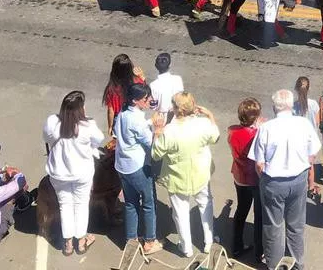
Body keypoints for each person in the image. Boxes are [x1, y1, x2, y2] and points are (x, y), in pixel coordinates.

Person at [250, 89, 321, 270]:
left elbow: (259, 164)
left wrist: (264, 180)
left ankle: (274, 265)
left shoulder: (266, 128)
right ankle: (298, 264)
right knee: (296, 226)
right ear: (291, 105)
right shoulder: (303, 124)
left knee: (273, 227)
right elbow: (313, 152)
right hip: (298, 179)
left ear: (274, 107)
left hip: (273, 182)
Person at [152, 92, 219, 258]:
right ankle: (209, 242)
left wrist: (158, 132)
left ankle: (186, 247)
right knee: (205, 204)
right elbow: (215, 137)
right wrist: (210, 116)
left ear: (175, 109)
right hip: (201, 173)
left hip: (177, 178)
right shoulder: (203, 124)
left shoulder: (169, 131)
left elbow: (155, 154)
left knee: (180, 212)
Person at [43, 91, 105, 256]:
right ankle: (82, 242)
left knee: (65, 206)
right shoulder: (87, 126)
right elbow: (99, 140)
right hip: (82, 174)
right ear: (80, 109)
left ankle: (68, 244)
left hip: (58, 174)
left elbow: (46, 138)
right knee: (81, 205)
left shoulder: (52, 122)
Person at [113, 83, 162, 255]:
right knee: (149, 204)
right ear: (135, 101)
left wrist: (148, 122)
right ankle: (149, 241)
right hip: (138, 167)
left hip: (122, 165)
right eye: (145, 99)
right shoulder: (137, 120)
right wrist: (157, 129)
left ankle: (131, 239)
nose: (148, 100)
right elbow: (153, 144)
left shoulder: (122, 114)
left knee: (131, 203)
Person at [228, 98, 263, 259]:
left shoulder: (232, 131)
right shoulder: (257, 134)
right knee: (259, 214)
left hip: (240, 176)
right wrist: (260, 127)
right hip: (255, 179)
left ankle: (236, 246)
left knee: (241, 210)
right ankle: (259, 250)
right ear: (255, 118)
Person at [0, 164, 28, 253]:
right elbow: (21, 182)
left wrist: (3, 170)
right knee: (17, 193)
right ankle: (20, 202)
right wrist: (15, 172)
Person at [102, 54, 144, 136]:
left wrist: (110, 126)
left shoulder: (112, 88)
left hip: (118, 119)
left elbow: (111, 111)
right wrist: (142, 77)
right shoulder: (137, 81)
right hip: (133, 115)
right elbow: (143, 94)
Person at [149, 52, 184, 121]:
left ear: (156, 66)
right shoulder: (178, 79)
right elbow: (181, 98)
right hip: (177, 115)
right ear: (170, 65)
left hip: (161, 118)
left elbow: (153, 106)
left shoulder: (153, 85)